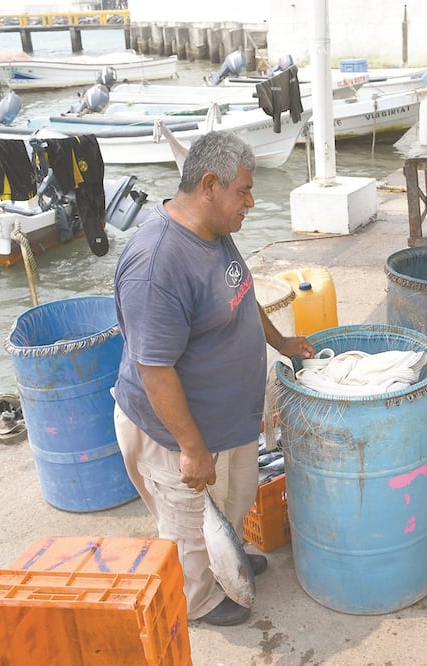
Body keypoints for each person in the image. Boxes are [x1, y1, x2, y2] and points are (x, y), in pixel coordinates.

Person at [112, 131, 315, 627]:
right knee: (186, 524)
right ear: (209, 185)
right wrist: (191, 447)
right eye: (243, 190)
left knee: (231, 501)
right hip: (180, 432)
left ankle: (228, 560)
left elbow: (241, 296)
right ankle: (199, 600)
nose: (251, 201)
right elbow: (154, 370)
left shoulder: (215, 230)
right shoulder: (158, 263)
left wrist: (281, 343)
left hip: (230, 422)